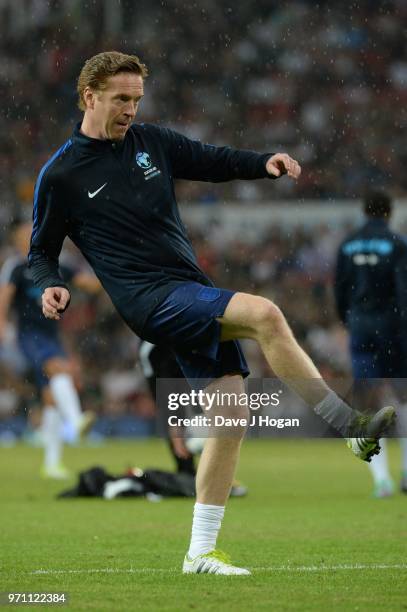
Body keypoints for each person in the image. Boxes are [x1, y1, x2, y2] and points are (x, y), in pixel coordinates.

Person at [28, 51, 395, 575]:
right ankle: (349, 427)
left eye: (136, 99)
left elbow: (213, 159)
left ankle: (199, 553)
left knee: (231, 415)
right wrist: (49, 286)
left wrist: (263, 163)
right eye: (120, 99)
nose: (131, 109)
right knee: (265, 314)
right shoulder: (61, 173)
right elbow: (40, 252)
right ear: (89, 97)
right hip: (148, 300)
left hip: (185, 288)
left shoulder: (151, 143)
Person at [0, 220, 98, 478]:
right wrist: (1, 327)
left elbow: (88, 283)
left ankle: (52, 463)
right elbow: (4, 297)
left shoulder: (54, 264)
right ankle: (76, 421)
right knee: (59, 369)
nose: (30, 238)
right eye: (24, 236)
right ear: (17, 241)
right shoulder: (16, 267)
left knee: (51, 398)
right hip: (28, 335)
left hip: (52, 333)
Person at [334, 190, 407, 498]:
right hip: (393, 328)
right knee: (402, 398)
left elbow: (340, 290)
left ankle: (381, 481)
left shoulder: (348, 244)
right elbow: (403, 290)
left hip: (361, 327)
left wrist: (349, 321)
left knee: (367, 401)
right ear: (389, 212)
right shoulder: (398, 244)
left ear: (365, 211)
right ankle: (406, 473)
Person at [138, 340, 248, 497]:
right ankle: (193, 477)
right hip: (167, 377)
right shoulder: (155, 350)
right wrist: (174, 424)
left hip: (189, 369)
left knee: (207, 419)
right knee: (183, 433)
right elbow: (166, 390)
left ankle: (213, 479)